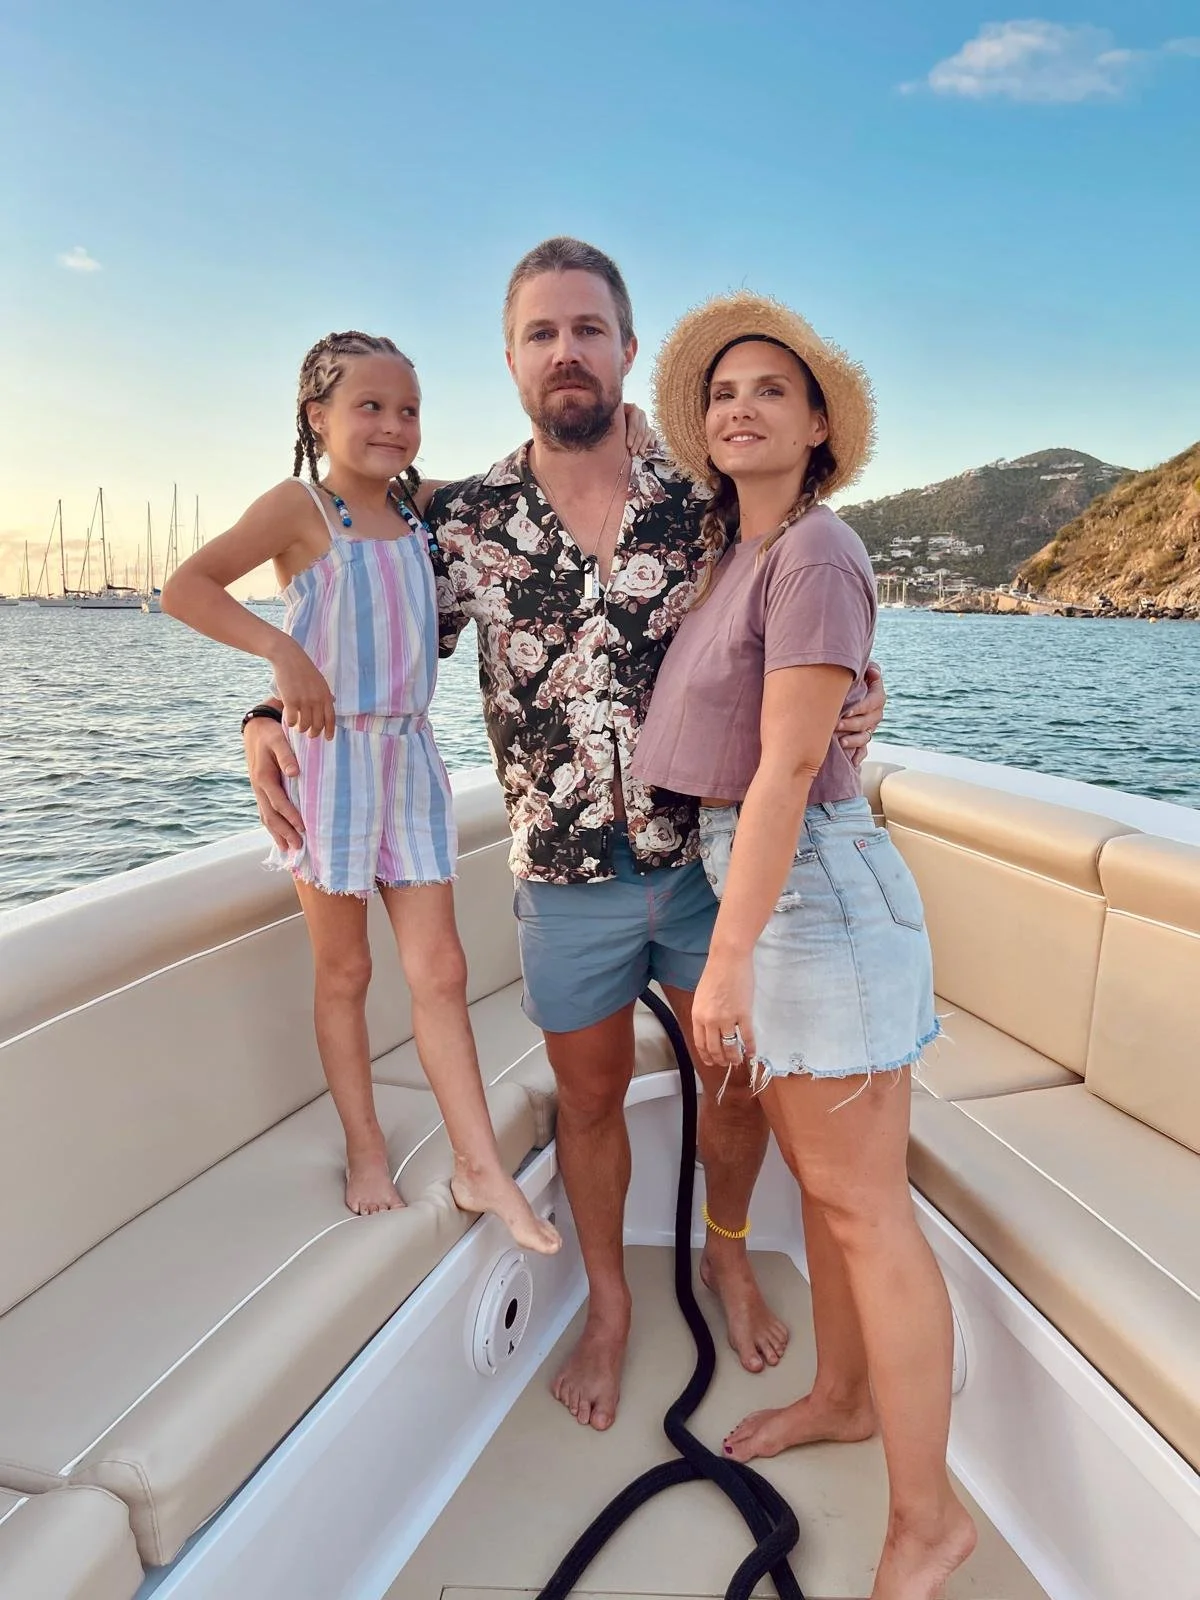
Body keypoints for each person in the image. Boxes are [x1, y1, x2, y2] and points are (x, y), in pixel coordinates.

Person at [242, 241, 888, 1431]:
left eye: (588, 329)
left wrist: (864, 678)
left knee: (734, 1086)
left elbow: (799, 589)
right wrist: (266, 714)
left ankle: (727, 1254)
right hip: (563, 878)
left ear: (628, 350)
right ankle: (606, 1304)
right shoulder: (464, 522)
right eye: (542, 334)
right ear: (511, 361)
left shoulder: (702, 503)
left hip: (711, 866)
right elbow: (357, 634)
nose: (566, 352)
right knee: (589, 1103)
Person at [632, 292, 974, 1599]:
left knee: (866, 1210)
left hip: (811, 895)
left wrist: (727, 961)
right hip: (781, 887)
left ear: (819, 424)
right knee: (832, 1197)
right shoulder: (742, 556)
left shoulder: (817, 548)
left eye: (771, 389)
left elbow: (783, 772)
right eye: (723, 392)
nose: (740, 406)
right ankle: (842, 1396)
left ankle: (928, 1522)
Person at [161, 329, 560, 1258]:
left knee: (444, 973)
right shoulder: (302, 508)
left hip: (410, 760)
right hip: (329, 762)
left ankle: (478, 1167)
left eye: (409, 409)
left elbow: (522, 479)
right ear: (318, 418)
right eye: (369, 407)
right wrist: (279, 653)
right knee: (345, 972)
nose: (392, 425)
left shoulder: (421, 512)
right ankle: (366, 1145)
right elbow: (187, 587)